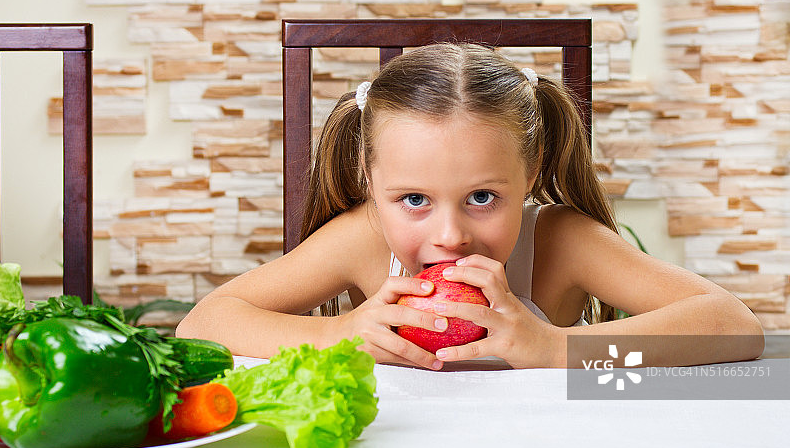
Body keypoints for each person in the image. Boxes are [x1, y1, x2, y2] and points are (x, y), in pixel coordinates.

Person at [176, 43, 764, 370]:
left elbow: (735, 325)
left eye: (482, 197)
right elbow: (202, 323)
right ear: (371, 181)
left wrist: (555, 348)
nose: (450, 235)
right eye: (413, 200)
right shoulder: (364, 238)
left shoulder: (560, 241)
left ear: (530, 174)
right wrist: (344, 332)